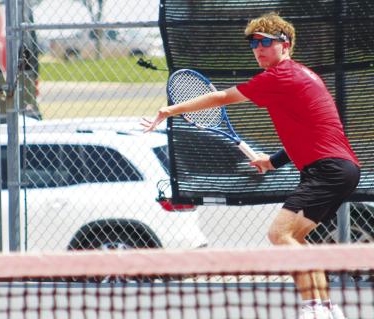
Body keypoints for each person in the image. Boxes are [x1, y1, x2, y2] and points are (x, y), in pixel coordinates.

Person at [141, 12, 360, 319]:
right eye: (254, 44)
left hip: (329, 169)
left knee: (278, 234)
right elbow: (309, 132)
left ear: (285, 45)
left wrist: (170, 109)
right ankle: (326, 307)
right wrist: (272, 161)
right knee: (293, 238)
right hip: (336, 167)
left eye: (266, 42)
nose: (258, 49)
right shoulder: (301, 75)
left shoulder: (280, 76)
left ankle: (316, 308)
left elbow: (221, 97)